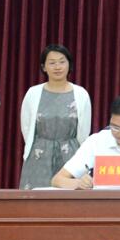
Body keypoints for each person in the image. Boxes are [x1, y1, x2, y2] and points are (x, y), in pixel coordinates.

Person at [18, 44, 93, 189]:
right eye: (52, 63)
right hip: (39, 155)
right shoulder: (33, 93)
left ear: (69, 65)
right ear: (44, 67)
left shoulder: (81, 94)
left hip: (71, 155)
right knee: (36, 198)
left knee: (69, 197)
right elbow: (26, 126)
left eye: (62, 62)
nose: (57, 67)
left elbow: (84, 130)